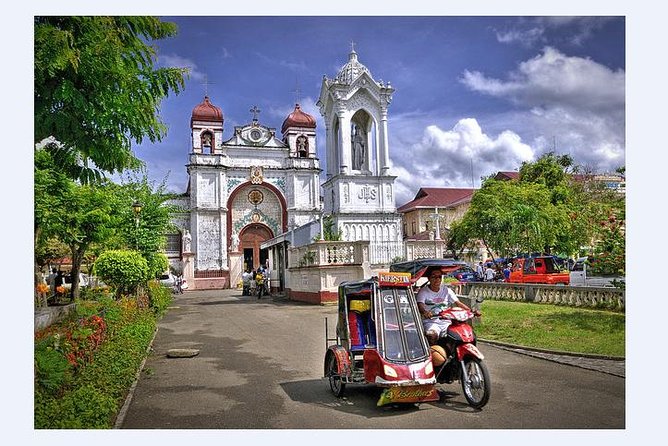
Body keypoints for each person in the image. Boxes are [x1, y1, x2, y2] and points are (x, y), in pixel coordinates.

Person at [416, 267, 474, 345]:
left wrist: (471, 311)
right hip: (431, 322)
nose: (437, 279)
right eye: (434, 277)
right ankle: (432, 354)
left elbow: (458, 303)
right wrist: (425, 312)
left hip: (447, 322)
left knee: (460, 335)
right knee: (431, 335)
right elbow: (420, 306)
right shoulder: (423, 291)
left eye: (439, 277)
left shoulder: (447, 290)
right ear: (429, 278)